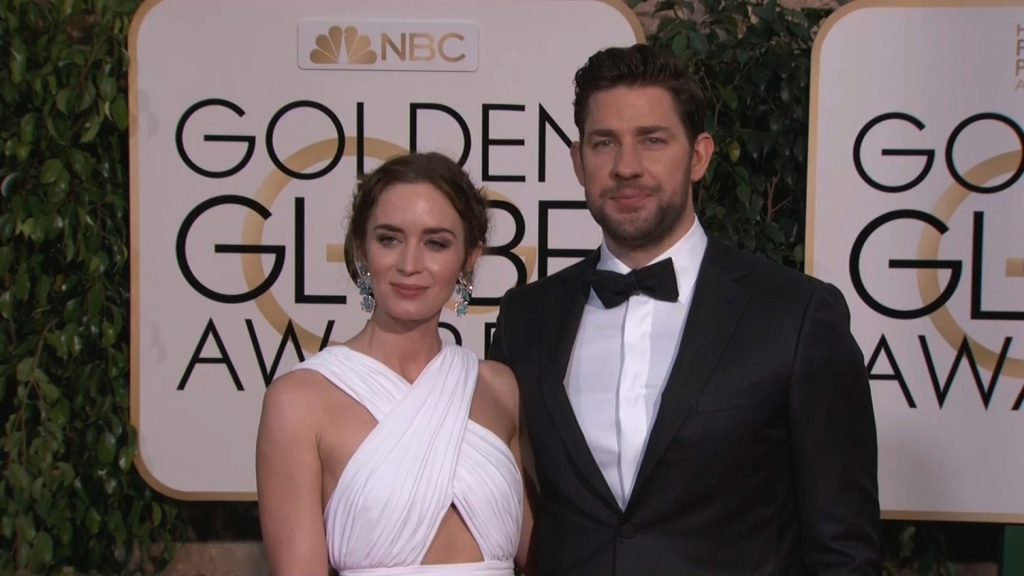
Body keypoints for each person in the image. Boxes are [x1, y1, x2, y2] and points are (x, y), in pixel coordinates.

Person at [488, 44, 881, 575]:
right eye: (605, 143)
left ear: (698, 156)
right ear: (579, 162)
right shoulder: (526, 318)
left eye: (652, 140)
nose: (626, 167)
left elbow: (844, 548)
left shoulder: (797, 317)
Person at [256, 152, 532, 576]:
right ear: (360, 249)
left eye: (436, 243)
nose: (409, 265)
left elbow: (547, 554)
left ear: (470, 257)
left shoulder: (499, 388)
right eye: (389, 239)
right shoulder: (299, 401)